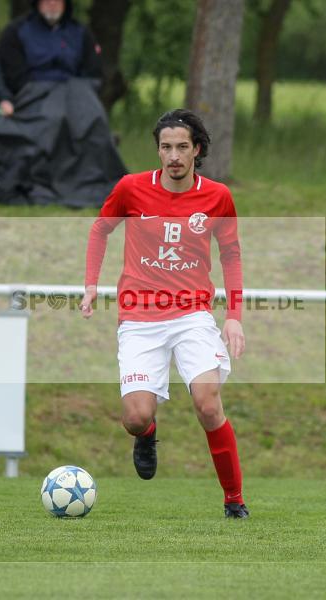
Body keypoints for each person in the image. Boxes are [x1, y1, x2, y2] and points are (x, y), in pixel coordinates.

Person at [80, 109, 249, 519]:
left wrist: (234, 315)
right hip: (139, 317)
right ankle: (147, 434)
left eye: (182, 147)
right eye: (166, 147)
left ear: (197, 150)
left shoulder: (217, 196)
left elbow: (231, 253)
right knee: (136, 418)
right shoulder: (131, 188)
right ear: (158, 150)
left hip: (192, 315)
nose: (173, 156)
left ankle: (234, 500)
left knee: (208, 405)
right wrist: (90, 285)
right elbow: (100, 229)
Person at [0, 0, 101, 96]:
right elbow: (15, 78)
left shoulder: (82, 33)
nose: (52, 3)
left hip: (77, 97)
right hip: (32, 98)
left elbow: (93, 74)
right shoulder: (15, 32)